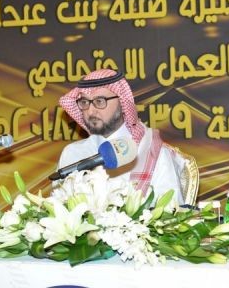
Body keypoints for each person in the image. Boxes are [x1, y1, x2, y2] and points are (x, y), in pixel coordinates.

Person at [58, 69, 185, 204]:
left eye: (100, 101)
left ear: (122, 102)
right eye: (84, 102)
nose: (90, 111)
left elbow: (172, 211)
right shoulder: (72, 153)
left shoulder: (154, 153)